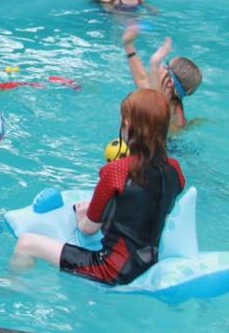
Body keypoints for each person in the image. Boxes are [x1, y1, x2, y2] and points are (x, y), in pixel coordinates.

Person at [12, 88, 185, 285]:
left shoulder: (116, 171)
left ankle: (12, 287)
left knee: (26, 242)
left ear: (127, 126)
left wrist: (80, 216)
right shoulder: (176, 171)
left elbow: (88, 228)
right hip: (149, 264)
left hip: (110, 269)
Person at [122, 23, 202, 133]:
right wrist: (129, 45)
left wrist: (154, 64)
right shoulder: (167, 99)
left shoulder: (170, 109)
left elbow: (154, 103)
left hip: (168, 148)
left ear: (169, 82)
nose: (160, 65)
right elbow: (142, 80)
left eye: (165, 64)